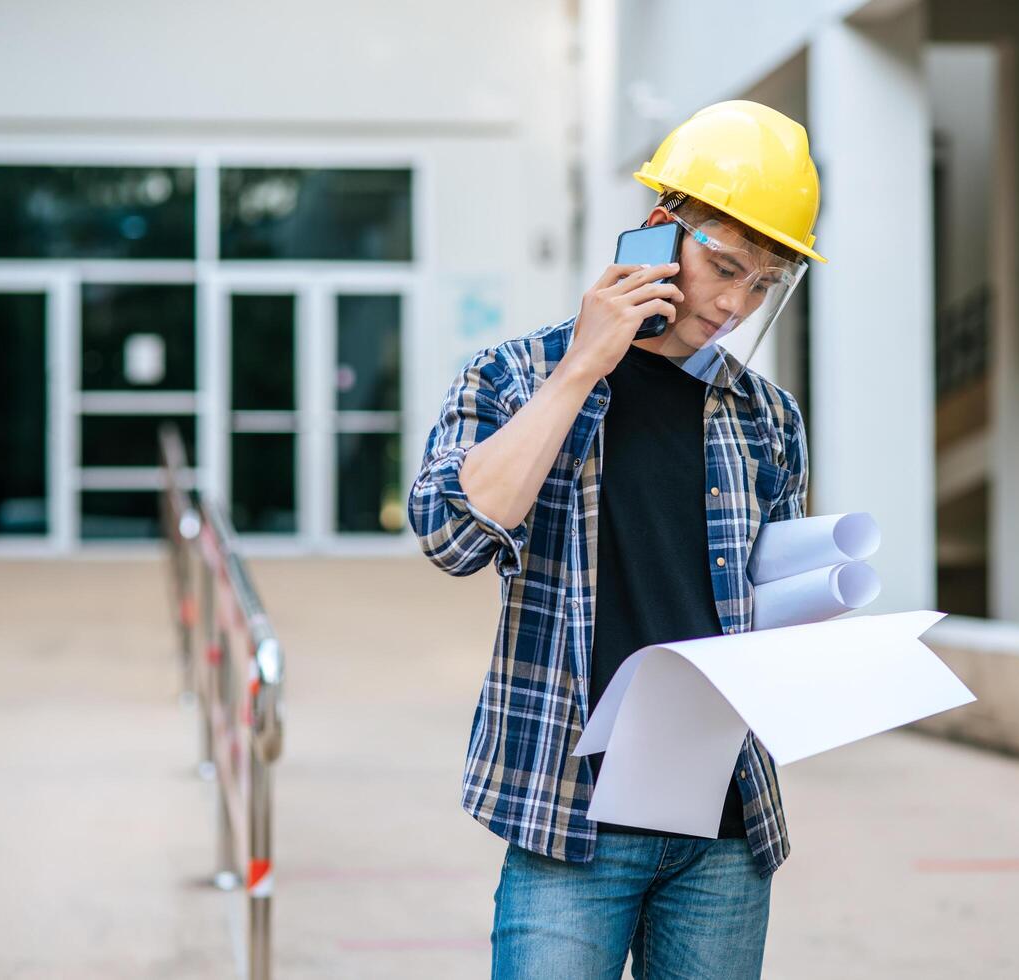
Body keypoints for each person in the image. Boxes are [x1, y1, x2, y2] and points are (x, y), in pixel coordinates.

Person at [407, 100, 827, 979]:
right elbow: (449, 537)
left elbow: (777, 605)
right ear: (656, 231)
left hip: (723, 826)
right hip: (569, 820)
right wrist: (582, 370)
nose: (734, 303)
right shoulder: (514, 374)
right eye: (724, 267)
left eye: (764, 284)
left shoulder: (768, 418)